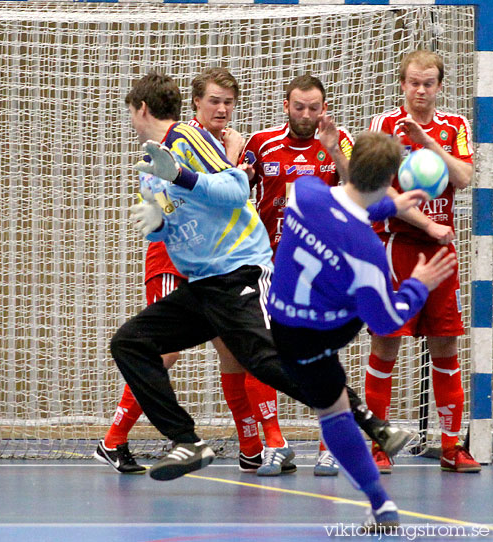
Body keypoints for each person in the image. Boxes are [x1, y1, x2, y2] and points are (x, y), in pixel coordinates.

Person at [110, 72, 411, 489]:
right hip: (203, 283)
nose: (131, 119)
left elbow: (235, 190)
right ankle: (187, 440)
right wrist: (156, 222)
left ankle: (369, 422)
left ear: (140, 109)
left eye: (130, 112)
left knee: (269, 362)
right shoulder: (150, 163)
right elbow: (171, 220)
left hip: (236, 271)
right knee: (130, 342)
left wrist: (181, 177)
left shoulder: (185, 139)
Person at [95, 68, 296, 477]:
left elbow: (233, 195)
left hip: (220, 267)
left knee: (238, 352)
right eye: (214, 101)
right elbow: (182, 201)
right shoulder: (182, 140)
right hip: (179, 263)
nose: (222, 108)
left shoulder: (224, 144)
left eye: (229, 102)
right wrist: (156, 218)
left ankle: (255, 445)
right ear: (194, 105)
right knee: (160, 350)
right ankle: (122, 439)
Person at [267, 130, 457, 529]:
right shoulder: (368, 253)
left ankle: (379, 500)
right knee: (334, 409)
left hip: (282, 323)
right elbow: (387, 321)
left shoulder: (304, 192)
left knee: (332, 398)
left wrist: (387, 207)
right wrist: (418, 284)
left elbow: (342, 209)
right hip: (320, 336)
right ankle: (380, 503)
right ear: (391, 179)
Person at [364, 50, 480, 474]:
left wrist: (429, 141)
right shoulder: (383, 126)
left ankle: (451, 447)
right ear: (402, 84)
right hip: (398, 247)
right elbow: (375, 191)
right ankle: (379, 445)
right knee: (385, 343)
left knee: (447, 345)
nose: (421, 90)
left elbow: (464, 177)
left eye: (428, 83)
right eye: (414, 82)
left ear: (439, 86)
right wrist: (426, 226)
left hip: (442, 250)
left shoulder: (454, 127)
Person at [241, 74, 354, 476]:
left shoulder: (338, 143)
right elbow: (239, 189)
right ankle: (274, 443)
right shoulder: (261, 144)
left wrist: (333, 151)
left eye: (313, 108)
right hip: (268, 265)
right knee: (259, 354)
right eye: (298, 107)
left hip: (321, 270)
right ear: (286, 106)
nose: (306, 115)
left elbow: (361, 188)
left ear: (323, 108)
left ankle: (330, 445)